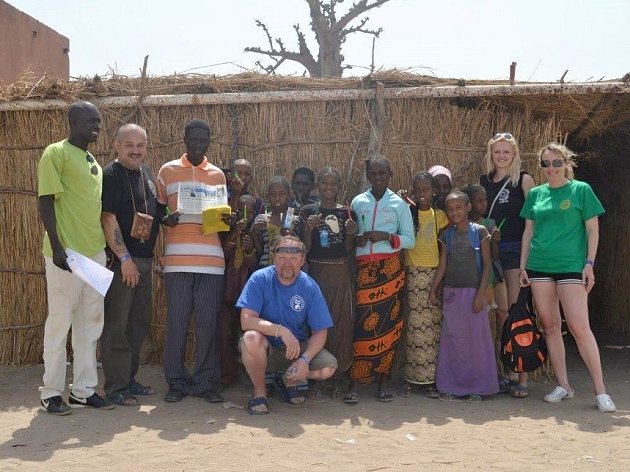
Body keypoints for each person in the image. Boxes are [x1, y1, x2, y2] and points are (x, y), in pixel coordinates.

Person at [519, 143, 615, 412]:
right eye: (546, 164)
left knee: (579, 327)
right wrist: (523, 266)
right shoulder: (536, 194)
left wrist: (589, 264)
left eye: (556, 163)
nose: (551, 168)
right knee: (550, 326)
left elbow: (593, 230)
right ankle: (563, 385)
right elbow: (528, 232)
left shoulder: (581, 190)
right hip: (539, 267)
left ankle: (601, 391)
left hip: (572, 266)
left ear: (566, 163)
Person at [37, 101, 113, 415]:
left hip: (94, 254)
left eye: (98, 121)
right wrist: (56, 248)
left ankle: (83, 390)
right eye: (89, 121)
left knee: (90, 325)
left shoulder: (92, 160)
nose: (96, 126)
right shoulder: (55, 153)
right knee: (60, 322)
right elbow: (45, 202)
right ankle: (51, 392)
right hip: (66, 254)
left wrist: (105, 249)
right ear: (72, 121)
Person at [100, 124, 180, 406]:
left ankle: (129, 379)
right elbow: (108, 219)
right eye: (129, 145)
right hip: (123, 263)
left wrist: (165, 219)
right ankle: (116, 387)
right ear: (116, 146)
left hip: (144, 261)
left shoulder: (146, 173)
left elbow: (152, 211)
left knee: (137, 324)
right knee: (117, 325)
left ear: (147, 147)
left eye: (141, 145)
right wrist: (124, 259)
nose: (136, 150)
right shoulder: (110, 175)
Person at [157, 119, 226, 404]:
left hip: (211, 262)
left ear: (209, 141)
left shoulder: (218, 175)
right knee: (177, 323)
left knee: (208, 323)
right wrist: (166, 220)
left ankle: (205, 381)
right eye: (193, 139)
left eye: (203, 140)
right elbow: (157, 216)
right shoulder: (167, 171)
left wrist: (226, 220)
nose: (198, 144)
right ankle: (176, 381)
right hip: (177, 262)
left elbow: (221, 218)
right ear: (184, 138)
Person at [237, 235, 338, 415]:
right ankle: (260, 394)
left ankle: (290, 379)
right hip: (266, 349)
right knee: (251, 338)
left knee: (329, 367)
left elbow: (320, 332)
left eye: (293, 258)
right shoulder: (259, 279)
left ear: (302, 260)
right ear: (274, 258)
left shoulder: (309, 286)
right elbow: (246, 320)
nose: (287, 263)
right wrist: (280, 330)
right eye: (282, 258)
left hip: (295, 350)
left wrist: (305, 359)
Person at [346, 156, 415, 403]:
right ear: (367, 175)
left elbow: (410, 239)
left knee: (389, 325)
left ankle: (383, 382)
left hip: (391, 269)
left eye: (382, 174)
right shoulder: (358, 202)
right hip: (365, 270)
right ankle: (355, 381)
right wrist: (358, 239)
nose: (377, 178)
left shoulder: (399, 204)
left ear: (390, 174)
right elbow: (351, 233)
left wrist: (386, 236)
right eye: (373, 174)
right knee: (362, 324)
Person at [480, 132, 535, 398]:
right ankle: (505, 370)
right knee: (500, 313)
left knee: (516, 311)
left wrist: (529, 259)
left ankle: (519, 372)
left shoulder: (523, 180)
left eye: (506, 152)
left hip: (515, 251)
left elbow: (534, 221)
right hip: (492, 252)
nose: (501, 156)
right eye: (497, 152)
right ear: (491, 154)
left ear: (514, 154)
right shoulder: (484, 182)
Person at [429, 191, 499, 402]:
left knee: (476, 342)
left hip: (473, 294)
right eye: (450, 209)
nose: (454, 212)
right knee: (454, 341)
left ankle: (478, 387)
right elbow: (443, 265)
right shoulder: (446, 235)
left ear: (468, 207)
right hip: (451, 293)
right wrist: (434, 288)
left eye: (459, 208)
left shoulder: (479, 232)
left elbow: (487, 264)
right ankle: (452, 386)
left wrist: (480, 294)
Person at [300, 167, 358, 397]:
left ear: (339, 187)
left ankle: (340, 374)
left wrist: (352, 233)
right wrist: (308, 229)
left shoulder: (347, 213)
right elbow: (306, 248)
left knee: (340, 321)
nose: (329, 188)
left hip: (339, 273)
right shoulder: (308, 212)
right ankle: (319, 375)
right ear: (318, 186)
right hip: (316, 273)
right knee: (316, 323)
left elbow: (347, 250)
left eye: (333, 185)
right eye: (324, 184)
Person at [401, 172, 449, 398]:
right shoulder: (407, 213)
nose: (422, 194)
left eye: (426, 190)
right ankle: (413, 379)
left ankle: (432, 380)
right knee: (414, 328)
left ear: (433, 192)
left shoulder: (439, 216)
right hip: (412, 272)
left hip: (432, 274)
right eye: (418, 190)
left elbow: (443, 250)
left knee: (433, 328)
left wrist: (437, 281)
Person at [218, 194, 258, 386]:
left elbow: (257, 265)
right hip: (226, 292)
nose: (245, 215)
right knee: (224, 334)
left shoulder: (256, 232)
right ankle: (227, 376)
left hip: (247, 295)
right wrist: (234, 235)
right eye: (242, 210)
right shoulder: (226, 230)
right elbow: (221, 257)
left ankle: (251, 374)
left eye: (250, 211)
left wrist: (250, 250)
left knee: (248, 335)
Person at [251, 176, 298, 268]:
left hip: (289, 268)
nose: (277, 198)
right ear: (268, 196)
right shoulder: (261, 220)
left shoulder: (295, 220)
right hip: (266, 268)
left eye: (282, 194)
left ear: (289, 195)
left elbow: (303, 248)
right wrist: (254, 232)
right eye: (273, 194)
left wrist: (291, 237)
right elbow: (260, 251)